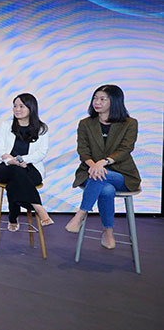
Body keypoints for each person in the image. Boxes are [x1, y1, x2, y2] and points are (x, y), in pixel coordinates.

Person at [65, 84, 141, 249]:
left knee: (102, 175)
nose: (97, 102)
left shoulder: (129, 123)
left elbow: (125, 149)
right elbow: (83, 150)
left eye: (102, 99)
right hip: (91, 171)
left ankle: (80, 214)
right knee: (105, 189)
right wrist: (94, 165)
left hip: (122, 174)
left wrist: (103, 163)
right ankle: (108, 231)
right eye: (95, 98)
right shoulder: (85, 123)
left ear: (114, 101)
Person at [0, 93, 53, 231]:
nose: (17, 109)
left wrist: (23, 160)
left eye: (21, 106)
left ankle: (13, 216)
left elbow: (42, 152)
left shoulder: (42, 128)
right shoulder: (6, 125)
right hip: (5, 166)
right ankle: (38, 206)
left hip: (31, 168)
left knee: (15, 180)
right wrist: (11, 160)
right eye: (15, 106)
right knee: (16, 170)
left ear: (31, 108)